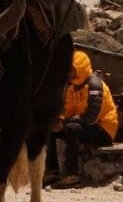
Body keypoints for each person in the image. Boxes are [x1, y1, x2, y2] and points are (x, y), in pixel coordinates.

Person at [46, 50, 118, 188]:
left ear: (80, 68)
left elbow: (91, 117)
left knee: (71, 129)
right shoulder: (72, 87)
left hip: (104, 130)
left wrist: (68, 122)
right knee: (52, 129)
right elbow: (67, 112)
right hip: (85, 126)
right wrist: (59, 120)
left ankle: (72, 175)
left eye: (71, 69)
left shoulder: (94, 85)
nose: (68, 72)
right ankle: (53, 172)